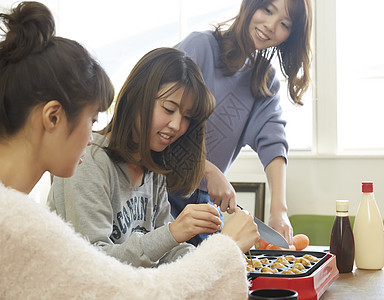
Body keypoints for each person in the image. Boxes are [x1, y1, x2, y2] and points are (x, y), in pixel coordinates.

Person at [0, 2, 259, 299]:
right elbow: (109, 282)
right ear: (53, 117)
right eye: (92, 119)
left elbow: (157, 263)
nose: (91, 136)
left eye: (187, 116)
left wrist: (209, 252)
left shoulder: (22, 215)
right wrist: (220, 249)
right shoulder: (24, 220)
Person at [169, 0, 313, 246]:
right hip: (161, 190)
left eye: (284, 24)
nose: (270, 25)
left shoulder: (264, 80)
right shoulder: (199, 47)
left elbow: (273, 140)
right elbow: (156, 123)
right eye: (267, 10)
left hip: (203, 203)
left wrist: (279, 209)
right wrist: (208, 169)